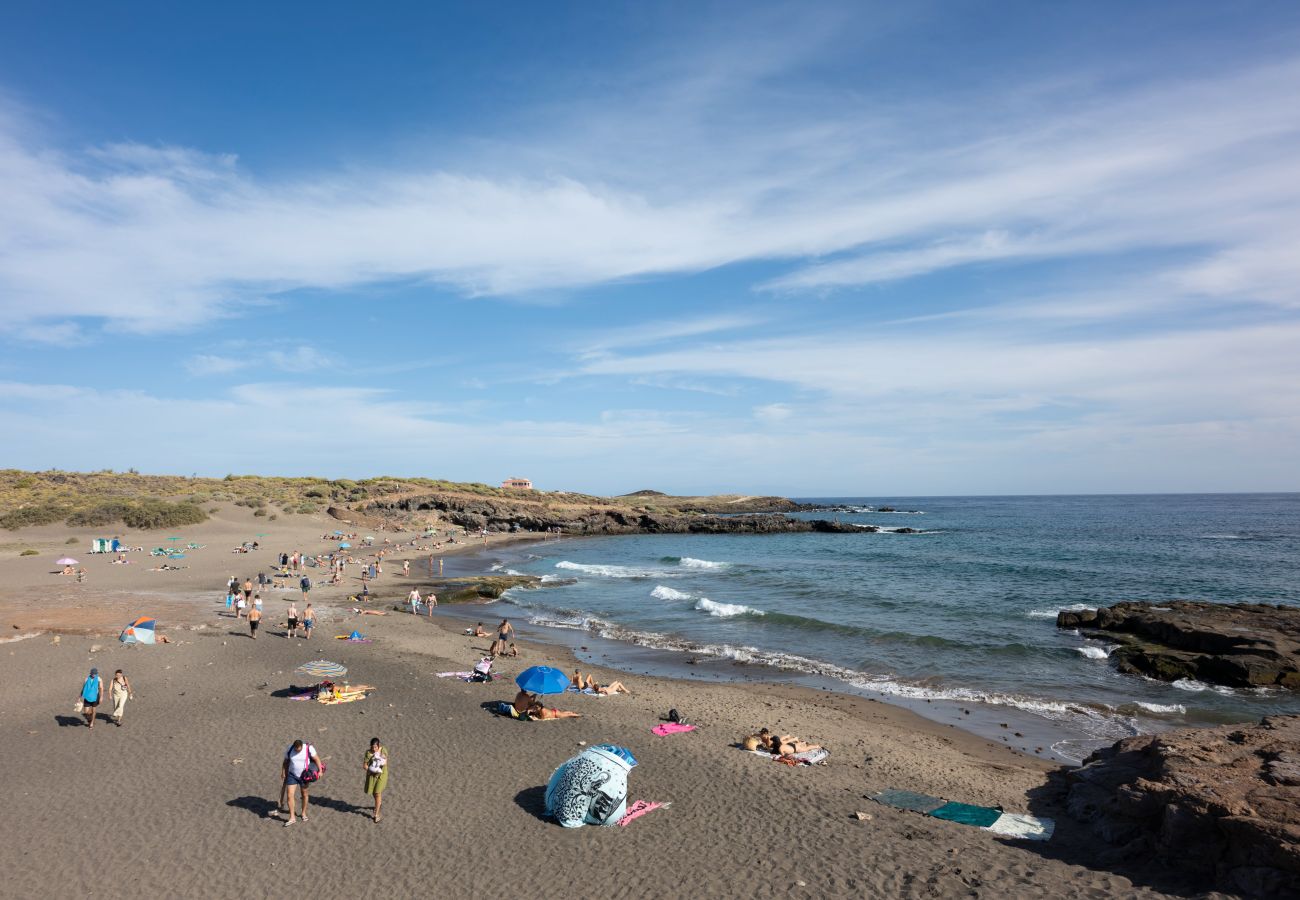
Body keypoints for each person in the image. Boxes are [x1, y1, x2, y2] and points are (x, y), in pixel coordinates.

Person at [281, 739, 322, 826]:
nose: (297, 751)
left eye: (298, 750)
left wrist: (320, 771)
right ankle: (292, 817)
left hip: (305, 775)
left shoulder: (308, 748)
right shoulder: (290, 749)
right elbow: (285, 762)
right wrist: (283, 772)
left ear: (302, 746)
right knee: (289, 795)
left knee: (304, 794)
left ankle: (303, 813)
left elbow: (317, 759)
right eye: (296, 750)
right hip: (292, 775)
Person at [363, 737, 389, 822]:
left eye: (375, 747)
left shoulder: (382, 750)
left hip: (381, 775)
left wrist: (381, 758)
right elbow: (365, 765)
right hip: (372, 775)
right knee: (374, 793)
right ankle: (379, 803)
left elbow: (385, 761)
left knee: (377, 793)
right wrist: (370, 769)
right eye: (372, 747)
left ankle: (376, 815)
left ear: (379, 746)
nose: (374, 749)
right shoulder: (368, 753)